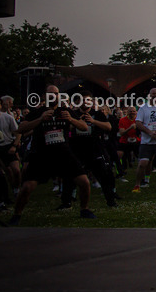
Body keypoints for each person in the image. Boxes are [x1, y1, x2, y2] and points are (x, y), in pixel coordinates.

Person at [9, 86, 96, 224]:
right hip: (42, 155)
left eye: (56, 94)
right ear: (44, 96)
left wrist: (71, 120)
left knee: (84, 182)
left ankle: (84, 209)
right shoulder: (37, 112)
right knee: (27, 187)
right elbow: (21, 128)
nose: (54, 96)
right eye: (51, 94)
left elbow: (84, 127)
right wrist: (40, 120)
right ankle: (16, 214)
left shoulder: (65, 111)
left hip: (63, 153)